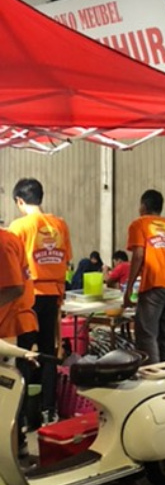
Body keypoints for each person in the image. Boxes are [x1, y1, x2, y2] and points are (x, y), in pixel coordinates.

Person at [9, 177, 72, 423]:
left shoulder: (19, 227)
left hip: (28, 297)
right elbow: (66, 260)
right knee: (48, 352)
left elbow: (10, 264)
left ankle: (23, 412)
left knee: (24, 353)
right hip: (53, 295)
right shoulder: (60, 225)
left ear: (20, 201)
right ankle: (49, 409)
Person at [123, 189, 165, 364]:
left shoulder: (139, 224)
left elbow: (138, 255)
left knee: (147, 335)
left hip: (154, 284)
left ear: (143, 206)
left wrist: (129, 288)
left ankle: (153, 374)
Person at [0, 229, 38, 453]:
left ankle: (14, 445)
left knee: (9, 389)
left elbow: (15, 287)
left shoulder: (3, 243)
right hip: (10, 323)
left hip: (13, 325)